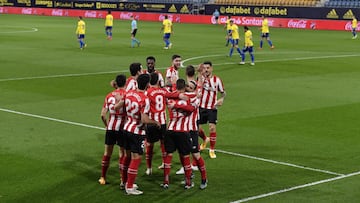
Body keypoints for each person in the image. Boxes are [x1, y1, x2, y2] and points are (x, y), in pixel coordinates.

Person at [122, 73, 161, 195]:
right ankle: (129, 187)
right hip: (137, 131)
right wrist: (155, 122)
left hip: (127, 127)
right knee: (136, 158)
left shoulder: (129, 93)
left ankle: (124, 182)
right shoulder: (144, 99)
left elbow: (122, 108)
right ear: (148, 84)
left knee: (127, 156)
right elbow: (144, 120)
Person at [144, 73, 186, 175]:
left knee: (150, 145)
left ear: (149, 82)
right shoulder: (163, 91)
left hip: (152, 122)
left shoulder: (147, 92)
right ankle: (164, 163)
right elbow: (170, 98)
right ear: (158, 81)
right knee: (163, 143)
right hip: (162, 122)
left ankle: (149, 168)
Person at [162, 79, 197, 189]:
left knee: (169, 155)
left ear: (175, 87)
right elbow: (191, 108)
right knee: (185, 156)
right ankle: (188, 182)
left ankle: (166, 181)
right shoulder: (188, 99)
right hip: (183, 132)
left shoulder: (169, 99)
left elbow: (165, 93)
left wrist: (175, 105)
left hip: (170, 130)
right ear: (185, 87)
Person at [98, 74, 127, 185]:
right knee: (122, 153)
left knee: (107, 153)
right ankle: (122, 179)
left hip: (110, 128)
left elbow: (102, 115)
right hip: (122, 128)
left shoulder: (109, 96)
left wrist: (106, 125)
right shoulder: (126, 95)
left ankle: (103, 177)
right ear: (125, 83)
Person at [198, 61, 226, 159]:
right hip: (201, 107)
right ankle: (205, 139)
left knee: (212, 128)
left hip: (212, 107)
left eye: (208, 68)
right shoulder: (200, 79)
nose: (206, 70)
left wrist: (222, 99)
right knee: (196, 128)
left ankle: (212, 150)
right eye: (204, 68)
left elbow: (223, 93)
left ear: (211, 68)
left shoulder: (217, 80)